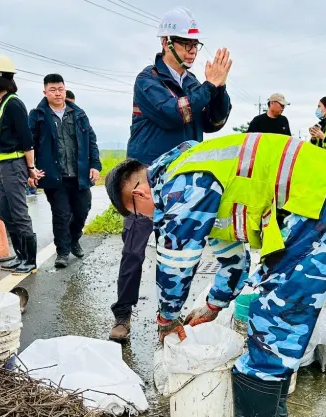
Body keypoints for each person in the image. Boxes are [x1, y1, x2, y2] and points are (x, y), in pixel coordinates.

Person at [105, 133, 326, 417]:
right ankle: (271, 413)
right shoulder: (202, 182)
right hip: (313, 200)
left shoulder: (180, 184)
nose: (146, 218)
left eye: (139, 213)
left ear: (139, 192)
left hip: (319, 197)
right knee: (275, 300)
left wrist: (167, 318)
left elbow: (176, 261)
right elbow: (233, 261)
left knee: (276, 312)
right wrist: (212, 305)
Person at [109, 6, 232, 343]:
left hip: (183, 184)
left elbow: (214, 122)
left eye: (195, 44)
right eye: (184, 43)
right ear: (166, 42)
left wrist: (218, 89)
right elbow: (174, 114)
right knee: (134, 249)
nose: (192, 50)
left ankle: (170, 315)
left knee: (181, 250)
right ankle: (122, 315)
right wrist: (208, 86)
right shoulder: (148, 80)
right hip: (145, 182)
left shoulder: (194, 82)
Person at [29, 74, 101, 268]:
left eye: (60, 89)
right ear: (45, 92)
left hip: (79, 174)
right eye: (53, 90)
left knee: (82, 210)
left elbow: (91, 141)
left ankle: (74, 239)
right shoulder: (38, 115)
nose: (58, 93)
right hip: (54, 175)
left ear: (65, 89)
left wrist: (95, 164)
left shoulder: (78, 114)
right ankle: (62, 252)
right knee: (61, 214)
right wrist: (31, 169)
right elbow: (30, 144)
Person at [0, 55, 43, 274]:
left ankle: (30, 260)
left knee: (18, 212)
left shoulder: (14, 103)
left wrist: (30, 168)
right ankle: (20, 256)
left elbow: (26, 140)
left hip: (14, 165)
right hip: (2, 166)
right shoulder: (4, 105)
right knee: (5, 211)